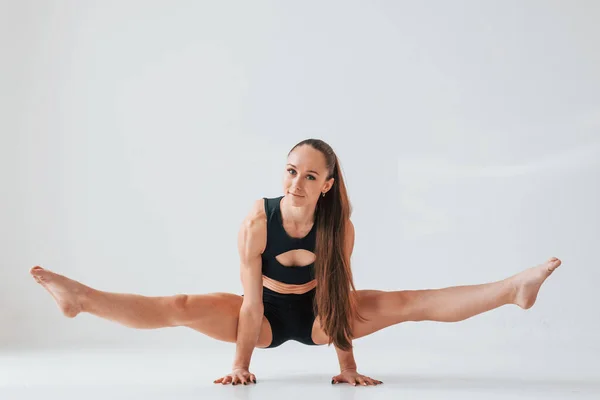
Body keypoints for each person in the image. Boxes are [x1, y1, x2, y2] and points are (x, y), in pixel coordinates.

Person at [30, 138, 562, 387]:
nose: (296, 182)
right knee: (181, 304)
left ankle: (512, 288)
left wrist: (347, 368)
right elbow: (251, 299)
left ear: (327, 185)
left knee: (406, 302)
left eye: (310, 176)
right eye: (290, 171)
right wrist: (241, 365)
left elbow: (335, 293)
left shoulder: (339, 227)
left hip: (319, 318)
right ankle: (82, 299)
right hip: (260, 320)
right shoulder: (257, 222)